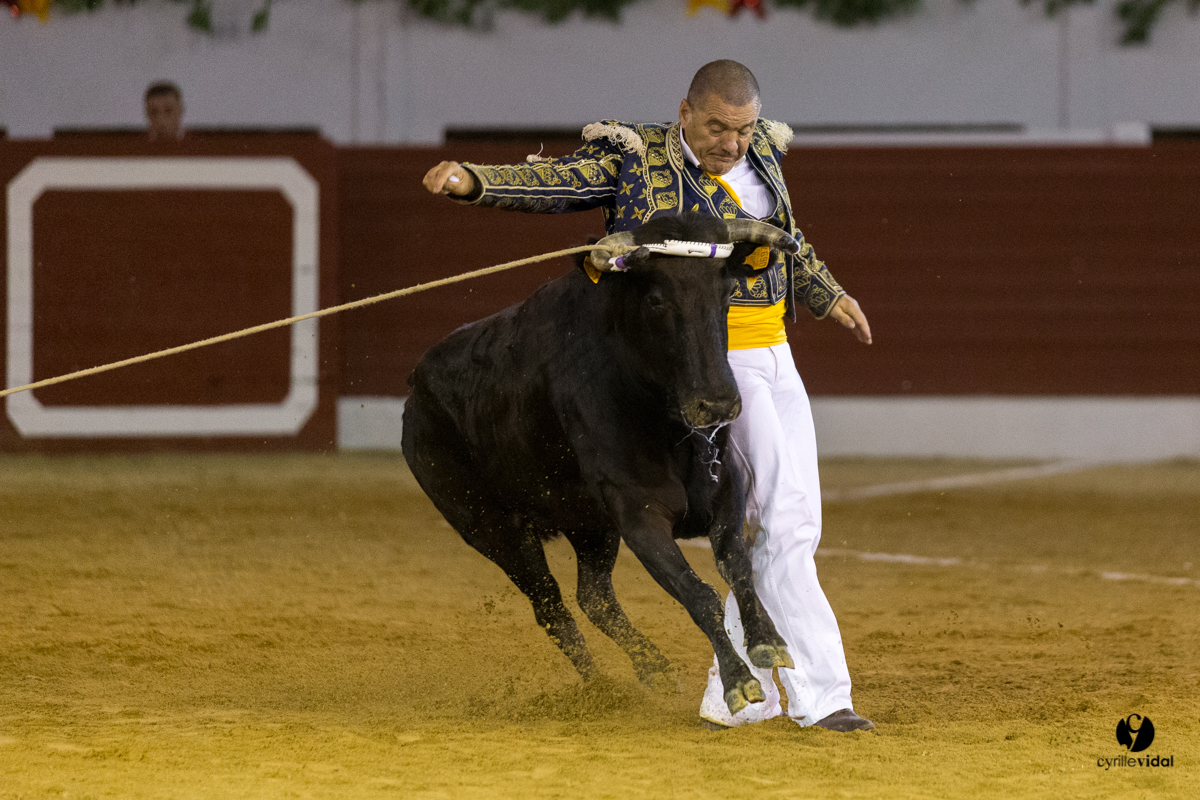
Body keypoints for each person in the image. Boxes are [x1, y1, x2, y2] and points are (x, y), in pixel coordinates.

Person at [422, 60, 874, 733]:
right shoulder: (634, 158)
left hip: (774, 353)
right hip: (703, 363)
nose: (733, 143)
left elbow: (783, 237)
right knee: (780, 522)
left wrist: (825, 293)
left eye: (745, 129)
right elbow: (558, 182)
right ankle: (821, 698)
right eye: (719, 127)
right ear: (685, 113)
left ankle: (732, 699)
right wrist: (476, 183)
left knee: (792, 522)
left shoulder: (763, 156)